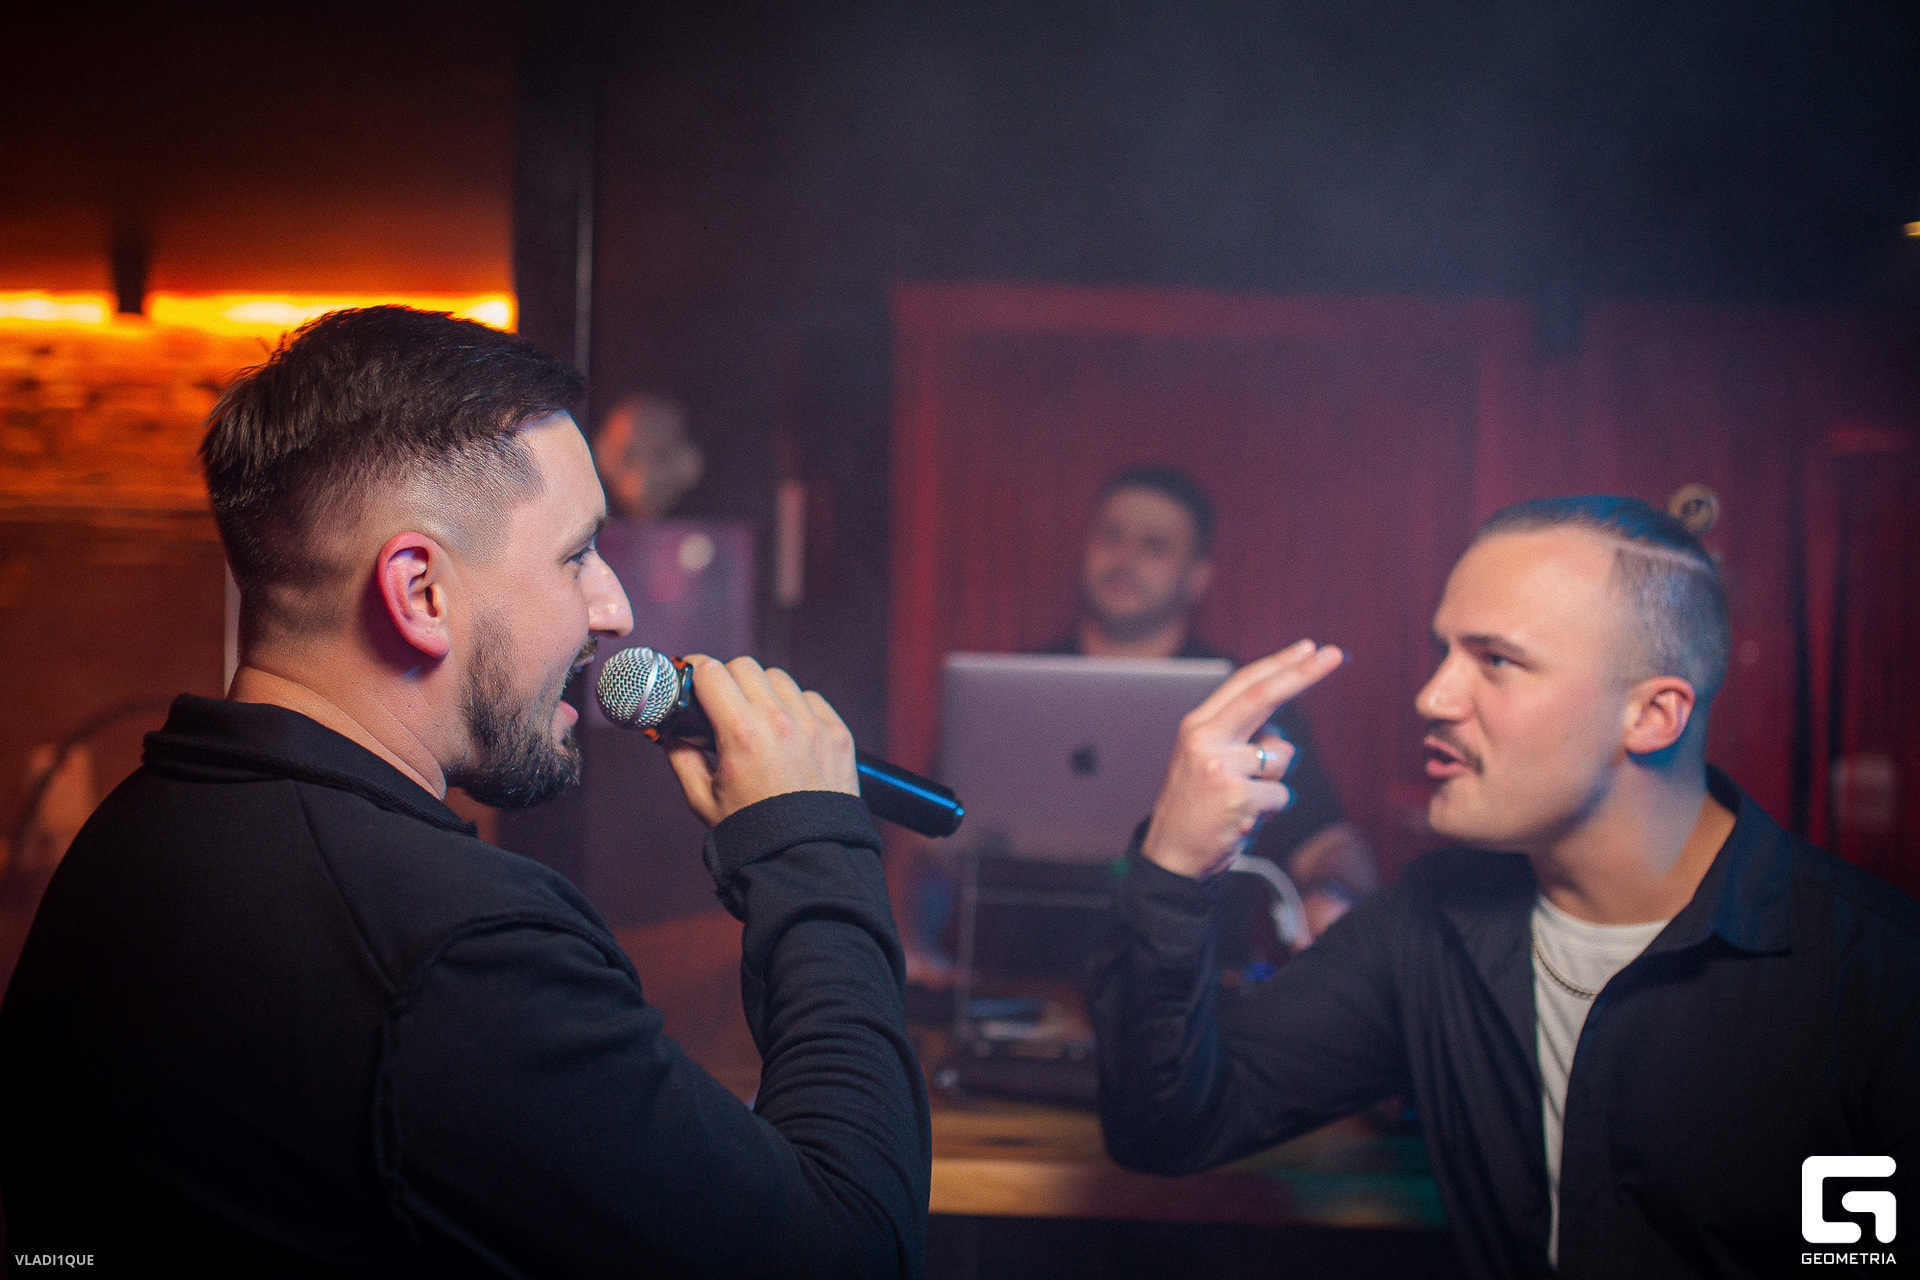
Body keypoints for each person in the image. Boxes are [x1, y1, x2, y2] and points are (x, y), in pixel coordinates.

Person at [0, 307, 930, 1276]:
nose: (615, 609)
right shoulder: (451, 951)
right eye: (577, 555)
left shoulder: (123, 843)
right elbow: (850, 1251)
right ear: (421, 593)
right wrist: (810, 844)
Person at [1091, 496, 1920, 1279]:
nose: (1433, 696)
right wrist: (1174, 865)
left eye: (1496, 661)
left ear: (1652, 716)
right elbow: (1168, 1125)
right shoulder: (1429, 924)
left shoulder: (1875, 980)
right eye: (1443, 652)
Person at [1043, 465, 1375, 937]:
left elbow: (1327, 842)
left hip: (1194, 966)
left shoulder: (1243, 699)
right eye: (1111, 536)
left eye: (1153, 545)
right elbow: (941, 843)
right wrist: (926, 936)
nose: (1124, 558)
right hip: (1011, 969)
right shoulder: (1013, 689)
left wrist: (1332, 894)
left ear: (1198, 576)